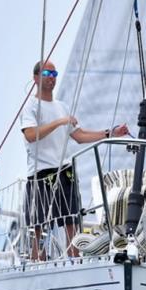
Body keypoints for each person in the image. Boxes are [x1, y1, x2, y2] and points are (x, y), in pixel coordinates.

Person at [20, 60, 130, 260]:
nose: (51, 78)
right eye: (47, 73)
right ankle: (38, 262)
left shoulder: (62, 106)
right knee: (38, 225)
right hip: (41, 175)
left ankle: (74, 260)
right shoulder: (31, 107)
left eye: (54, 74)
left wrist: (110, 133)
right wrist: (60, 122)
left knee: (72, 221)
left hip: (65, 172)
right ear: (36, 77)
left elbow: (80, 136)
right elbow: (30, 134)